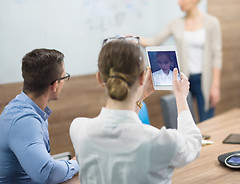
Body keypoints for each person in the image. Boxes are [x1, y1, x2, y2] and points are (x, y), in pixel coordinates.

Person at [69, 37, 202, 184]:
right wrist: (181, 97)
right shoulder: (160, 141)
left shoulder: (78, 129)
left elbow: (122, 126)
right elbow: (192, 143)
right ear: (141, 78)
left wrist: (141, 96)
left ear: (99, 79)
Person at [140, 0, 222, 122]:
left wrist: (215, 85)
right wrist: (134, 39)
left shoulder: (211, 22)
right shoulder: (175, 23)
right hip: (184, 79)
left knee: (208, 121)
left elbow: (217, 56)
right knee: (185, 120)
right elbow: (154, 42)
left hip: (204, 79)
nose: (179, 1)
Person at [0, 48, 79, 183]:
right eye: (64, 77)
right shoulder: (24, 121)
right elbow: (48, 174)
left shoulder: (22, 108)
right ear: (55, 85)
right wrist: (78, 162)